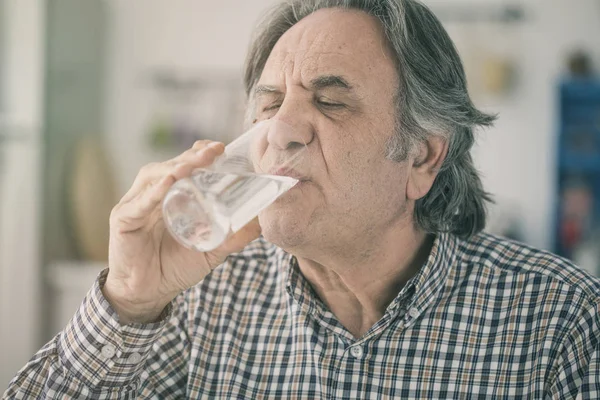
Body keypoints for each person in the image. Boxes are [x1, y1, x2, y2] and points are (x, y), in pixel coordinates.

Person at [4, 0, 599, 398]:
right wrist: (129, 302)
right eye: (268, 104)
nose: (282, 130)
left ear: (421, 157)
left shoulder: (562, 320)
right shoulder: (205, 298)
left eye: (332, 101)